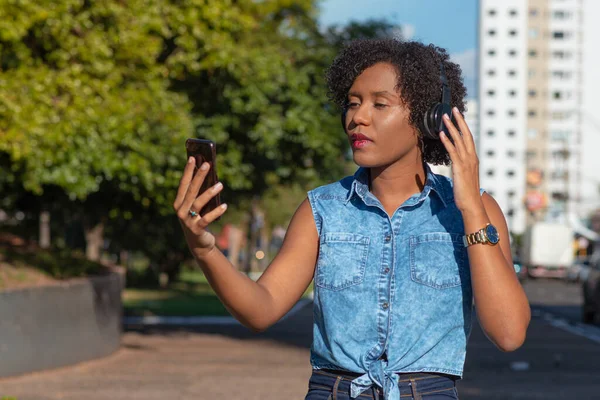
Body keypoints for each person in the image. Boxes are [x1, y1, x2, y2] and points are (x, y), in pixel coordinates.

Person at [173, 39, 531, 400]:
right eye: (353, 103)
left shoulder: (476, 211)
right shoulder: (321, 209)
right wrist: (205, 251)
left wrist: (470, 208)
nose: (357, 117)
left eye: (380, 103)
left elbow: (509, 333)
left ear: (428, 116)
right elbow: (260, 309)